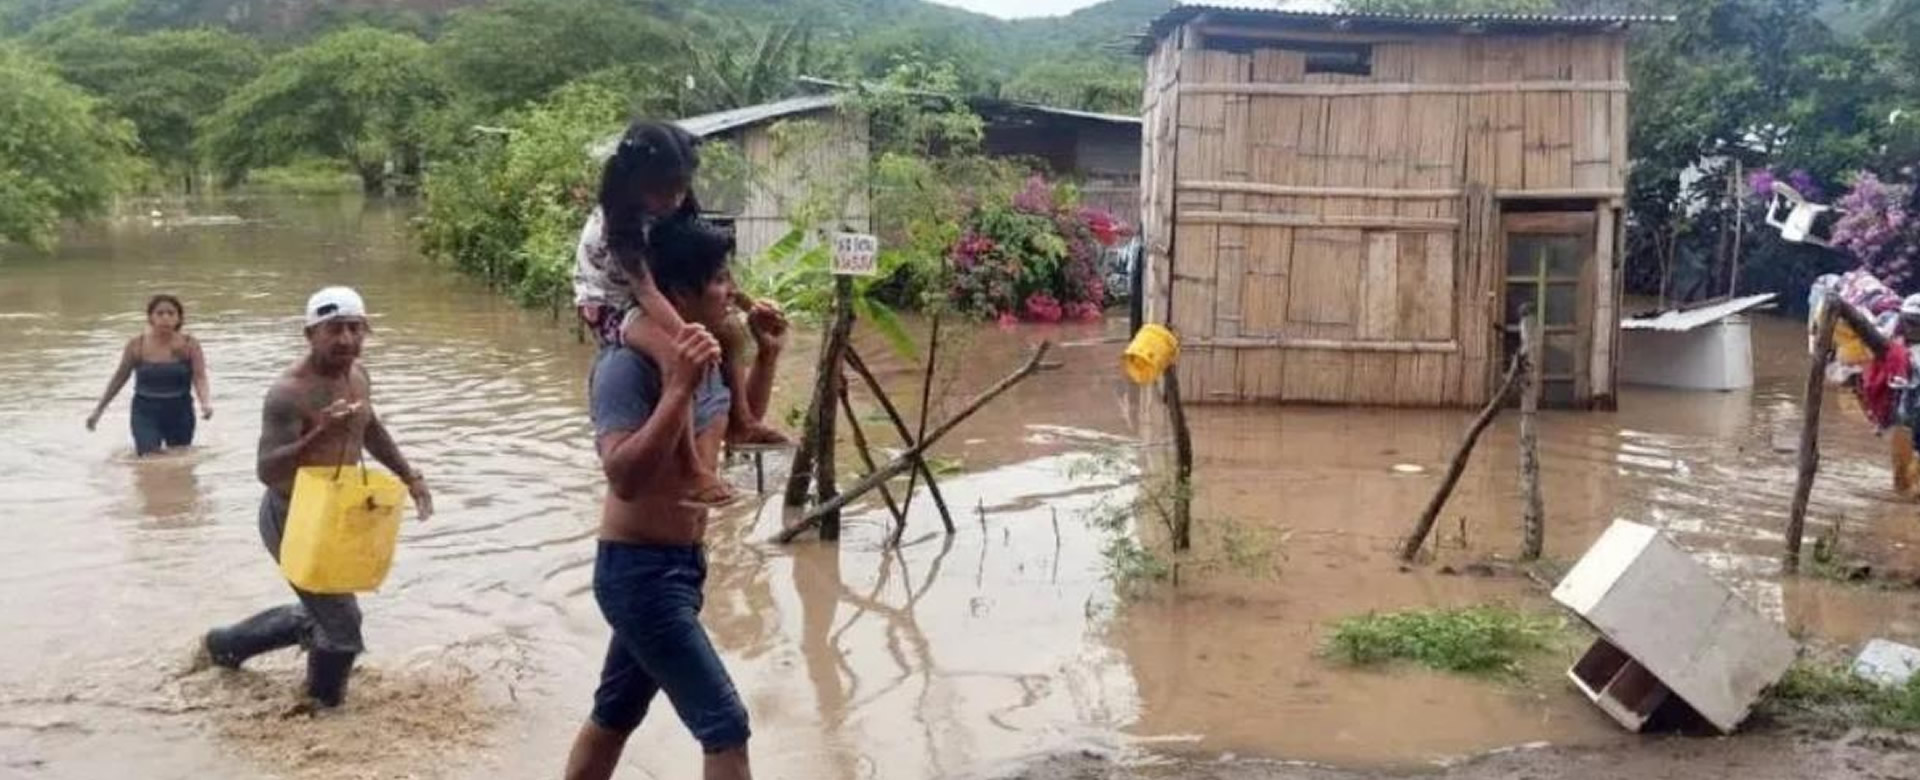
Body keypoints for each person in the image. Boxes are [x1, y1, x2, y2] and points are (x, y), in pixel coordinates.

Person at [564, 217, 785, 780]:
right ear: (679, 293)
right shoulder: (626, 364)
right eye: (718, 278)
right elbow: (624, 476)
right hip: (638, 573)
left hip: (683, 566)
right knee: (725, 725)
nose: (732, 289)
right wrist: (678, 386)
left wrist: (767, 355)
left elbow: (737, 431)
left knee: (616, 713)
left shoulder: (706, 357)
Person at [196, 286, 433, 709]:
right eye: (334, 330)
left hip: (337, 512)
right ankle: (322, 710)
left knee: (325, 615)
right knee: (344, 625)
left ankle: (225, 646)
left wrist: (408, 475)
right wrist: (318, 433)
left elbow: (369, 427)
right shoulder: (288, 392)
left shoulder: (358, 374)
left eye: (354, 329)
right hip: (292, 515)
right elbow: (266, 470)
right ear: (310, 334)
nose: (346, 339)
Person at [576, 120, 788, 507]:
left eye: (680, 187)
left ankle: (742, 423)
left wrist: (744, 305)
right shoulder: (616, 225)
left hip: (653, 288)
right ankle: (690, 470)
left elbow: (712, 261)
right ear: (635, 183)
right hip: (610, 301)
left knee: (727, 335)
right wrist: (688, 335)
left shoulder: (674, 201)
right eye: (663, 191)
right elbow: (643, 291)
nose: (675, 199)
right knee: (682, 353)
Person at [86, 294, 214, 455]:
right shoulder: (137, 345)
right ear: (150, 318)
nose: (165, 318)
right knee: (148, 456)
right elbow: (120, 378)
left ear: (179, 318)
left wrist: (205, 403)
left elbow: (199, 376)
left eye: (171, 313)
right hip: (145, 411)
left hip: (180, 410)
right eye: (160, 313)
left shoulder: (189, 345)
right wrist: (98, 411)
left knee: (179, 459)